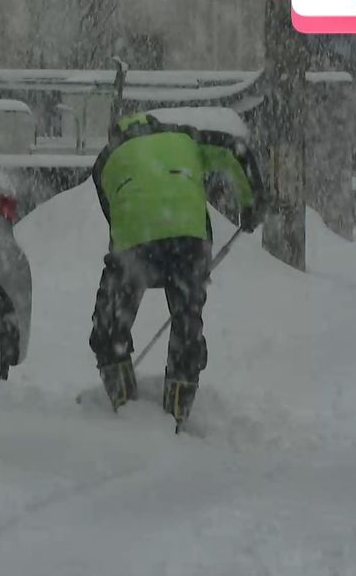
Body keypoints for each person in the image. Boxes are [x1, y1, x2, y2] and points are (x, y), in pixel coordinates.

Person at [88, 111, 265, 428]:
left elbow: (112, 213)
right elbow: (235, 152)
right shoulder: (186, 138)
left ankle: (121, 401)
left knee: (110, 324)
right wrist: (252, 204)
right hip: (189, 239)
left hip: (134, 239)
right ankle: (178, 408)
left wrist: (129, 266)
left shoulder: (105, 159)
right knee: (186, 319)